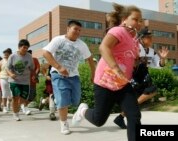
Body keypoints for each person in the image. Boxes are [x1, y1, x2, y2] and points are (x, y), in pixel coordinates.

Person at [71, 3, 142, 141]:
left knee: (134, 115)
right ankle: (82, 111)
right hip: (106, 82)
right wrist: (116, 69)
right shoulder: (118, 31)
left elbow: (129, 58)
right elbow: (104, 47)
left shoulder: (135, 39)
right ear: (124, 19)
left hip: (123, 83)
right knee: (99, 120)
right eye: (135, 19)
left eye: (140, 20)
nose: (139, 22)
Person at [42, 20, 95, 134]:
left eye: (80, 30)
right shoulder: (58, 40)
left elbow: (90, 59)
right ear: (68, 29)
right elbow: (45, 52)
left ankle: (64, 102)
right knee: (63, 101)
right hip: (58, 75)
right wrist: (59, 67)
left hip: (74, 76)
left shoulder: (81, 44)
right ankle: (64, 124)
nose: (77, 32)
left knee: (75, 101)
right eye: (75, 29)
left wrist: (93, 74)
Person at [113, 27, 169, 129]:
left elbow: (158, 65)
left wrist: (163, 59)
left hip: (143, 75)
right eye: (148, 37)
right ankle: (120, 118)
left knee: (152, 90)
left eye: (151, 37)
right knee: (136, 98)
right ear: (141, 38)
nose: (151, 39)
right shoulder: (135, 47)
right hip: (132, 75)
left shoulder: (152, 51)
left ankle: (120, 118)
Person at [6, 39, 34, 121]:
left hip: (25, 81)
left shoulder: (29, 56)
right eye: (24, 47)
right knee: (16, 97)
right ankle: (15, 114)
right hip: (14, 81)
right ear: (19, 47)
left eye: (27, 48)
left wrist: (34, 76)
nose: (25, 49)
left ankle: (20, 106)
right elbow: (7, 68)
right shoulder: (13, 56)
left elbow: (31, 68)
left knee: (23, 99)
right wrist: (11, 74)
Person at [20, 49, 40, 115]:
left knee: (33, 94)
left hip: (32, 80)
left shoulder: (35, 59)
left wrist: (35, 74)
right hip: (24, 80)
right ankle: (24, 107)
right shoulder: (22, 60)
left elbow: (38, 68)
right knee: (25, 94)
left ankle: (23, 105)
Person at [0, 48, 13, 113]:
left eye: (7, 54)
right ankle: (4, 107)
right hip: (3, 78)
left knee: (11, 93)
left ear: (10, 54)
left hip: (11, 79)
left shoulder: (13, 60)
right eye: (4, 54)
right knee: (4, 93)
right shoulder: (1, 61)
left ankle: (9, 103)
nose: (5, 55)